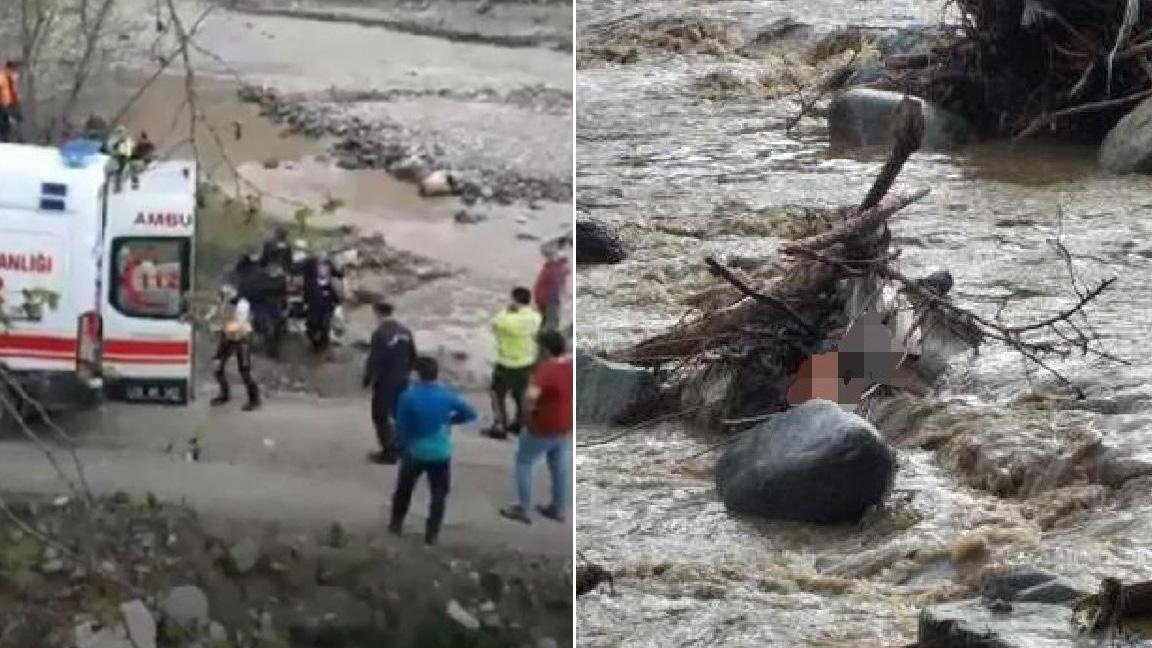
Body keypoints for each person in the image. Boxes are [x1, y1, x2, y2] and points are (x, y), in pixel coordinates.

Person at [389, 356, 477, 545]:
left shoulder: (408, 396)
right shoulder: (447, 395)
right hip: (441, 451)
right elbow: (470, 413)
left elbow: (401, 427)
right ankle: (432, 534)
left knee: (404, 489)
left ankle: (396, 524)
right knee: (439, 494)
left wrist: (400, 446)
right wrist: (451, 420)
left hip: (415, 451)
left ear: (417, 374)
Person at [500, 330, 572, 524]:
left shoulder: (545, 370)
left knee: (524, 462)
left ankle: (523, 508)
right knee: (559, 466)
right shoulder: (571, 366)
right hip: (565, 425)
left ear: (546, 349)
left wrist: (526, 421)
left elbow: (530, 398)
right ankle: (558, 508)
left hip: (543, 426)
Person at [483, 287, 542, 439]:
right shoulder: (535, 317)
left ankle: (501, 425)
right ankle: (519, 424)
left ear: (515, 300)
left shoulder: (507, 320)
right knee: (520, 396)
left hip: (506, 363)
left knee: (497, 395)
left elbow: (494, 323)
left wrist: (507, 311)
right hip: (527, 362)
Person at [363, 302, 417, 464]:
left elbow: (374, 359)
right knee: (398, 414)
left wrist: (367, 379)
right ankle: (402, 447)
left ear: (378, 314)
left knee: (380, 415)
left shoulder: (379, 333)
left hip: (385, 380)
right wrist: (407, 372)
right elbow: (413, 356)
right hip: (403, 379)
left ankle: (389, 452)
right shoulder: (406, 332)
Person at [209, 284, 261, 411]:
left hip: (242, 338)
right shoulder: (222, 304)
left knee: (244, 370)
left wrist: (220, 325)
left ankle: (254, 399)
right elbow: (213, 316)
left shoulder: (242, 304)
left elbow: (239, 323)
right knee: (218, 366)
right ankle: (224, 394)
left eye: (223, 296)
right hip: (228, 337)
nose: (221, 298)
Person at [300, 252, 343, 352]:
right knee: (313, 324)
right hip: (314, 305)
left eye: (326, 269)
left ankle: (324, 344)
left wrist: (337, 302)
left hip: (327, 304)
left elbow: (339, 274)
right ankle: (314, 341)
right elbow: (304, 267)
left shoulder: (330, 285)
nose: (323, 270)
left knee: (325, 324)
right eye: (321, 268)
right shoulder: (310, 281)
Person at [533, 241, 571, 333]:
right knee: (543, 322)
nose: (547, 257)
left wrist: (554, 299)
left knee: (550, 324)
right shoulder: (550, 266)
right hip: (542, 299)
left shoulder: (556, 268)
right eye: (547, 255)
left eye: (550, 254)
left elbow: (556, 285)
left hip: (549, 300)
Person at [0, 60, 21, 143]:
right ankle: (3, 138)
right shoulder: (1, 77)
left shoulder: (13, 78)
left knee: (14, 121)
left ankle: (7, 138)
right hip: (2, 103)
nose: (12, 71)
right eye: (11, 69)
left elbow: (15, 91)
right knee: (3, 121)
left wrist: (18, 100)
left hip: (12, 103)